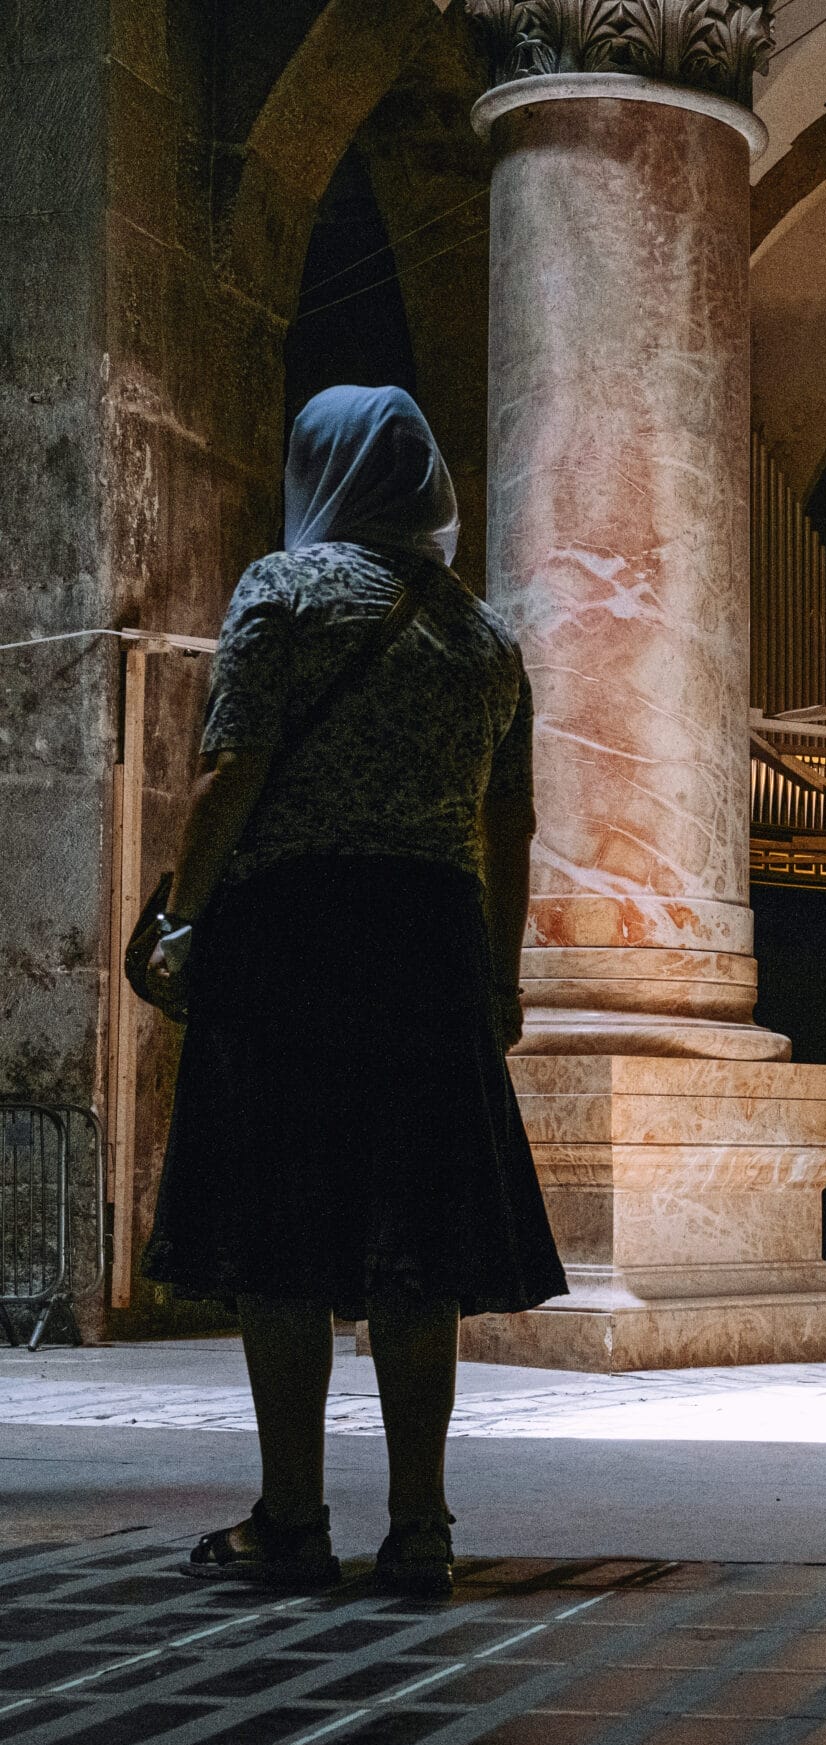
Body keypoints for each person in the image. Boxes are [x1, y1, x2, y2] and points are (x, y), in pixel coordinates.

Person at [143, 384, 568, 1595]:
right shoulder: (485, 639)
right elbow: (510, 823)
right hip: (430, 947)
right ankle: (421, 1524)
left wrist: (178, 919)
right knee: (414, 1240)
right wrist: (499, 981)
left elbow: (233, 768)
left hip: (294, 939)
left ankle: (290, 1517)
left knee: (278, 1231)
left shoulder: (282, 592)